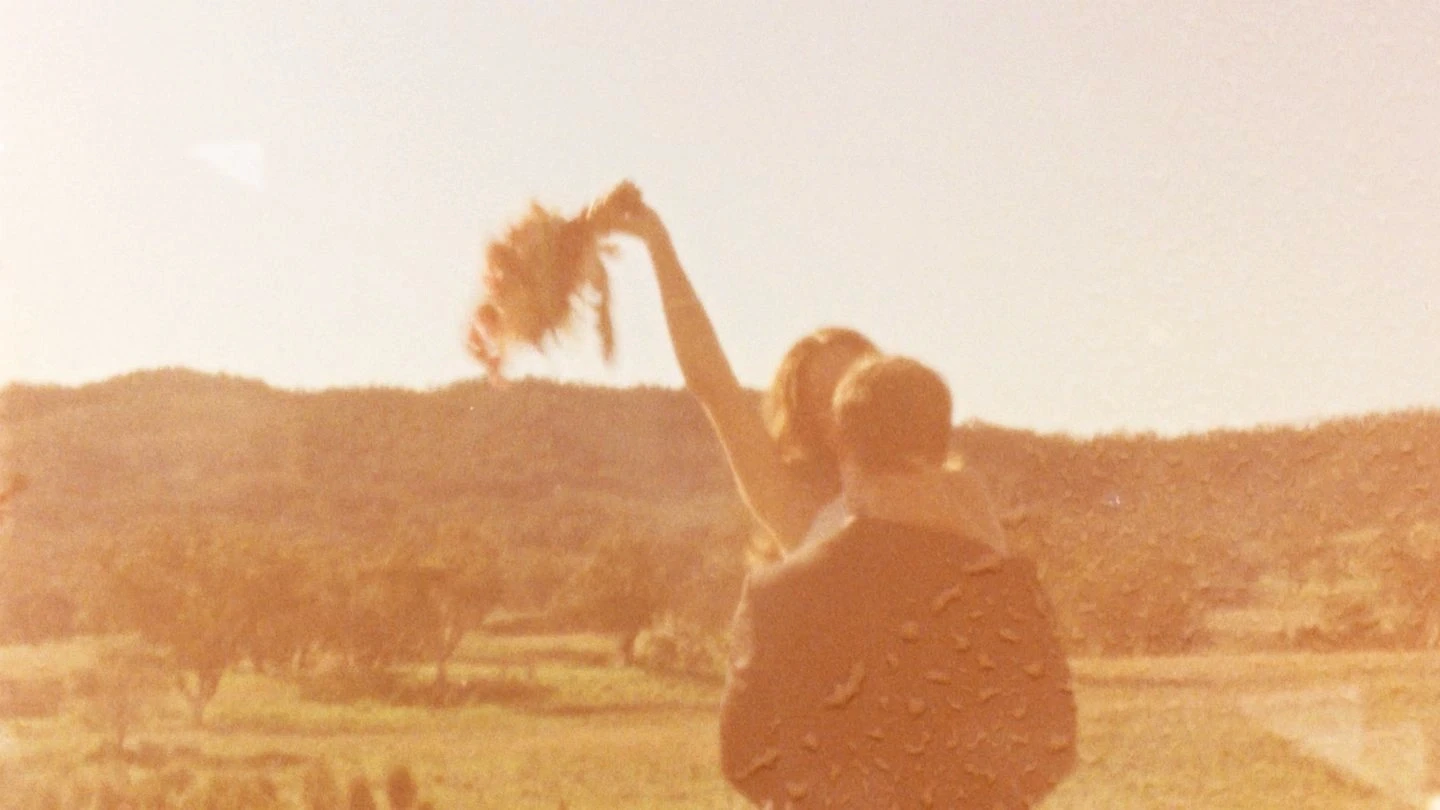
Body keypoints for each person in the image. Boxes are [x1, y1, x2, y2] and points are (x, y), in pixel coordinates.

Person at [718, 356, 1077, 809]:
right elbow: (1053, 745)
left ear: (842, 444)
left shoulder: (776, 592)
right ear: (940, 445)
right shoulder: (1005, 583)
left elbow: (743, 759)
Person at [588, 185, 1005, 558]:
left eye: (854, 382)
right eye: (825, 400)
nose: (847, 403)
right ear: (814, 426)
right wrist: (658, 244)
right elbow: (713, 386)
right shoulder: (801, 513)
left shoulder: (960, 496)